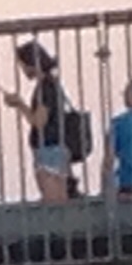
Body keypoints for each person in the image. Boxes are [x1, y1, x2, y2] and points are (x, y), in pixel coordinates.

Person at [6, 40, 81, 201]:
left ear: (32, 63)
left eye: (23, 65)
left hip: (48, 151)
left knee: (54, 202)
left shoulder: (45, 88)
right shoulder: (52, 84)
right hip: (56, 149)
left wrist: (19, 104)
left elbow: (39, 121)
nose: (23, 70)